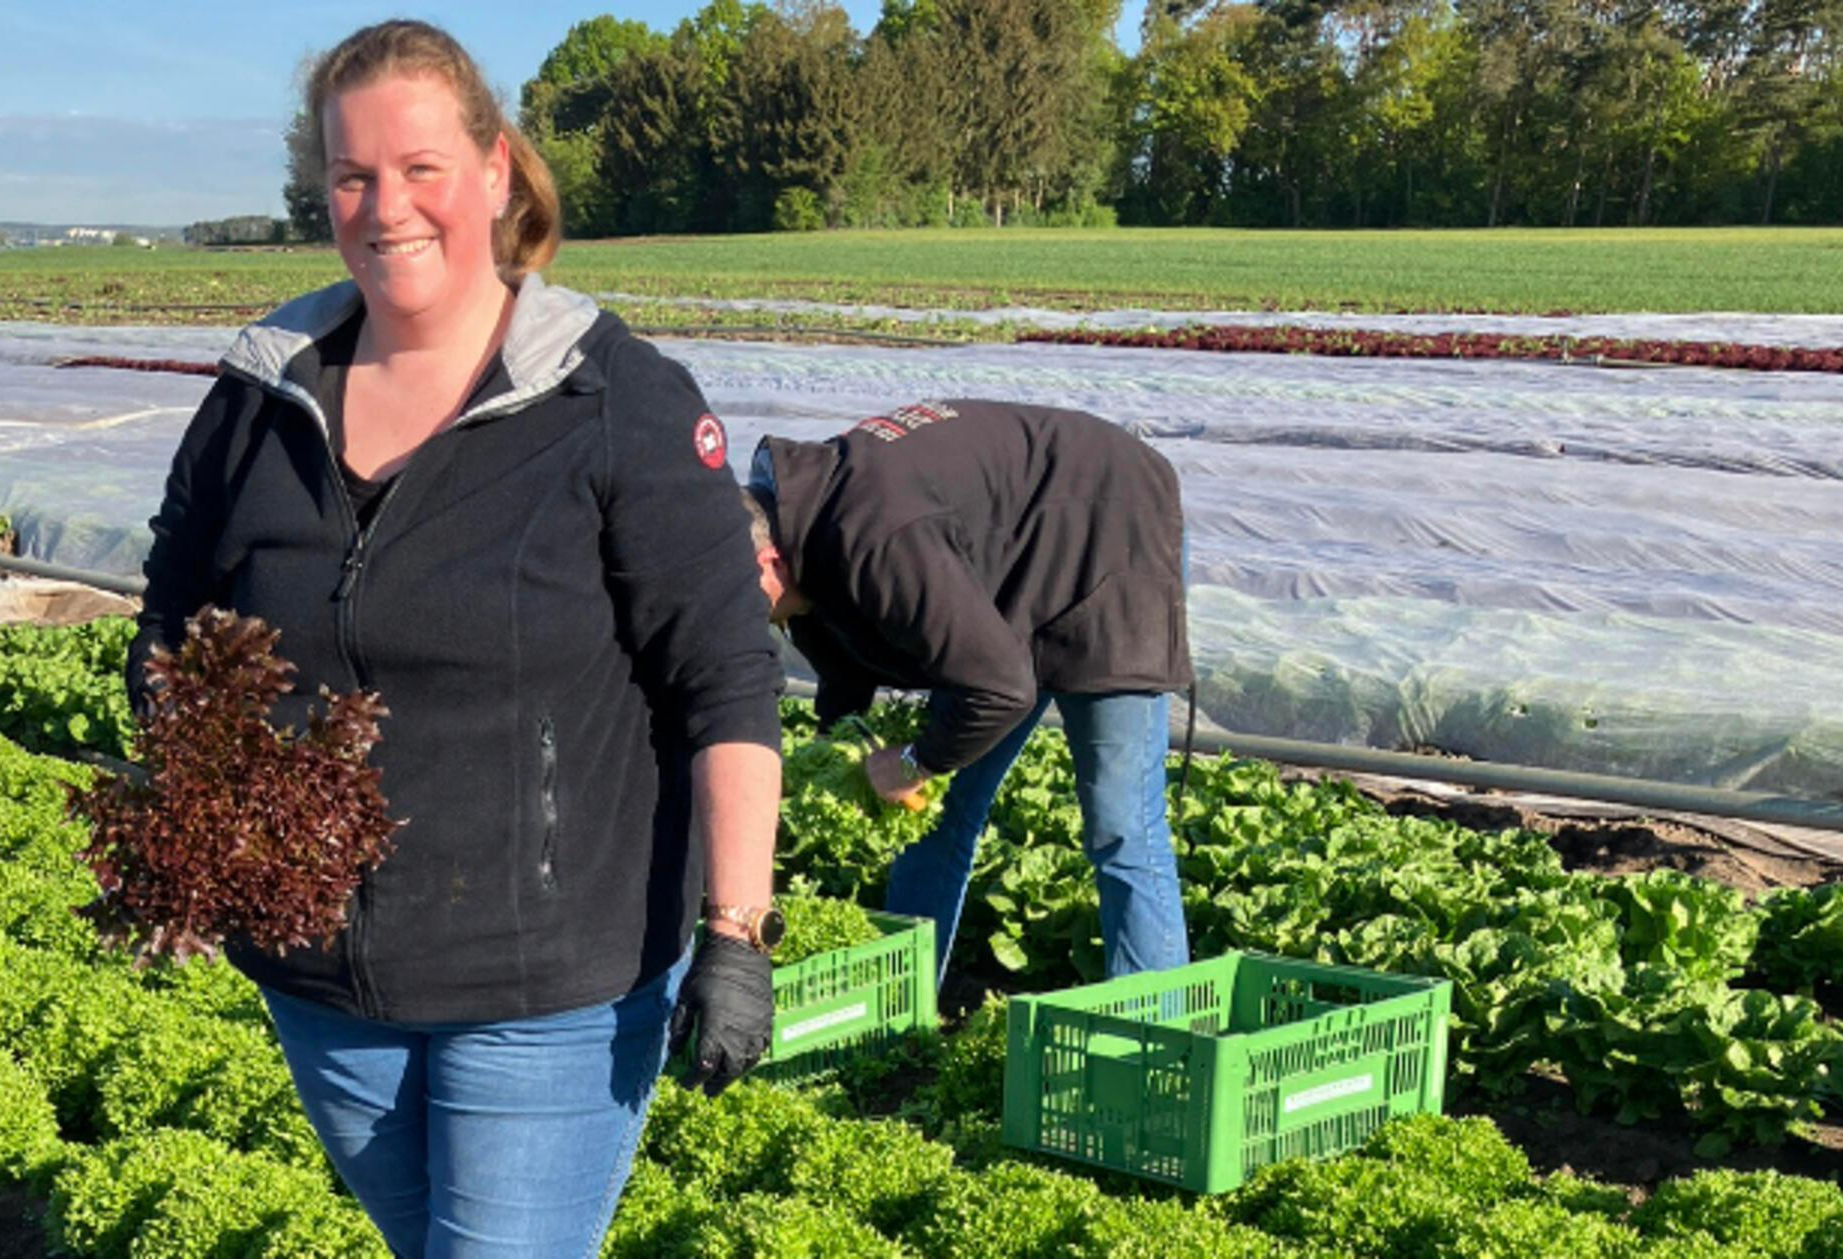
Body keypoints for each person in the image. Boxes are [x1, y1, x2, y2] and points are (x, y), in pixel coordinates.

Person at [125, 21, 784, 1257]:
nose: (387, 208)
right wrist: (194, 780)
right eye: (352, 176)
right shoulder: (257, 398)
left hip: (546, 981)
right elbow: (170, 615)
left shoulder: (612, 399)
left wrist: (736, 930)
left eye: (419, 168)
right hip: (322, 981)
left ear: (492, 172)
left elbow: (726, 679)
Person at [744, 399, 1193, 985]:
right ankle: (901, 1004)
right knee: (939, 814)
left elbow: (999, 690)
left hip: (1112, 529)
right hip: (1013, 576)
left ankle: (1155, 1027)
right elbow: (841, 651)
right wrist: (839, 743)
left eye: (745, 602)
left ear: (770, 561)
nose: (745, 620)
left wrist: (914, 761)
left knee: (1120, 820)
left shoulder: (878, 537)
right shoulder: (804, 524)